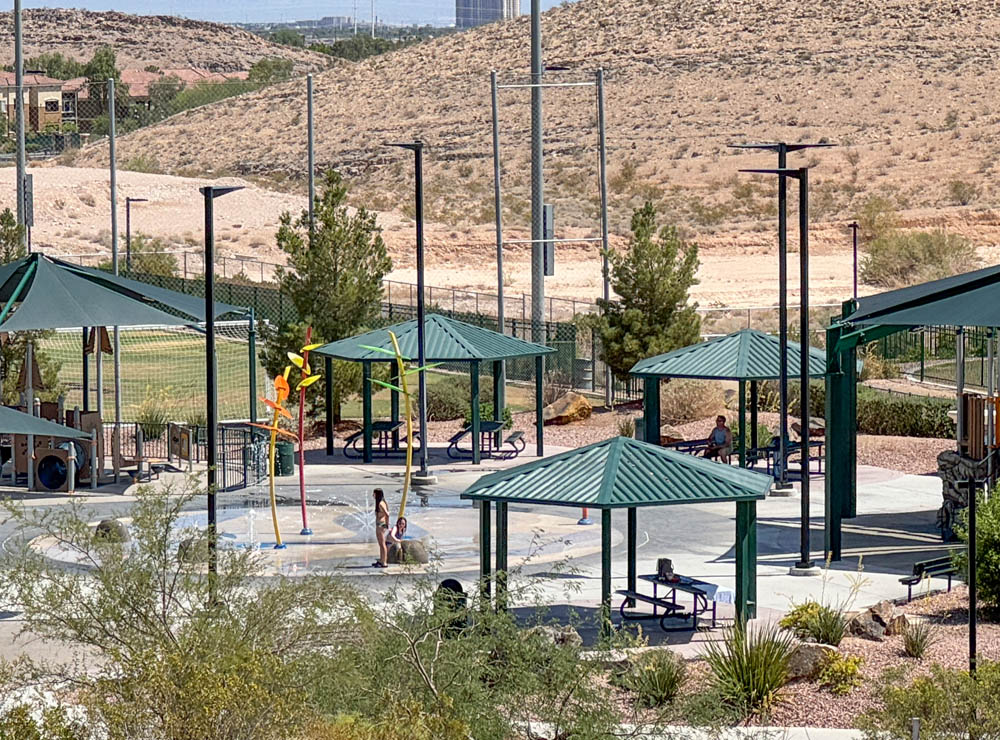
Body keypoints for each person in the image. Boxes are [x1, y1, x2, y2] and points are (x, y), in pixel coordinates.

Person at [373, 488, 390, 568]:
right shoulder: (382, 502)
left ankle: (384, 562)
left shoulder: (380, 504)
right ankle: (381, 559)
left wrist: (387, 524)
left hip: (380, 524)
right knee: (381, 544)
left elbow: (387, 514)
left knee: (382, 544)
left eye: (374, 494)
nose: (373, 495)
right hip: (380, 524)